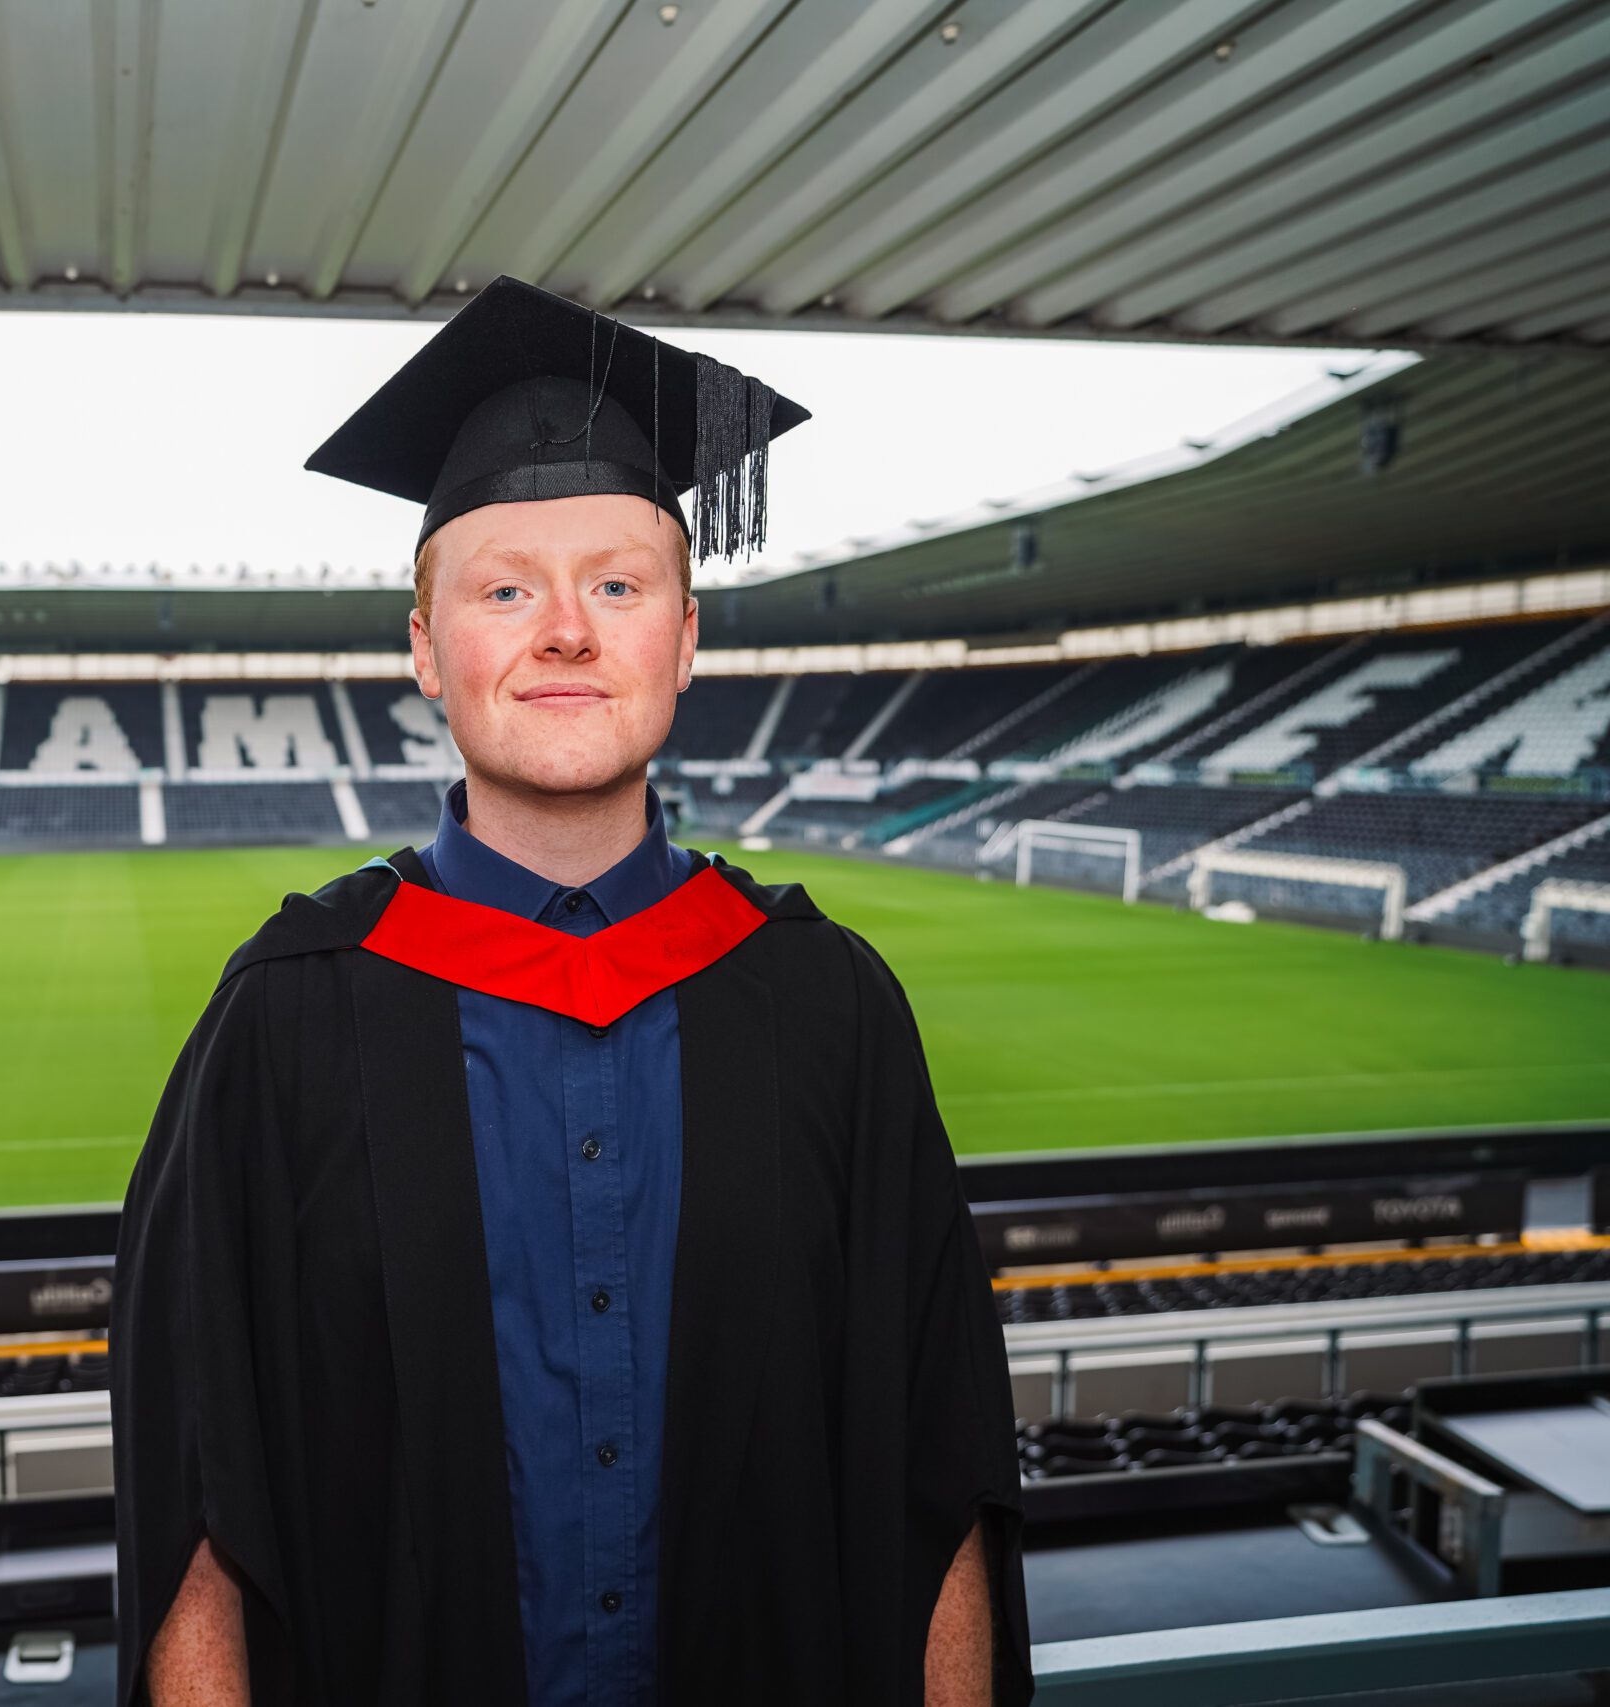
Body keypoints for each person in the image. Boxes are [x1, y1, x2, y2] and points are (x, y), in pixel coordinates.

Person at [113, 276, 1031, 1706]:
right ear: (425, 648)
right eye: (502, 589)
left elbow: (943, 1470)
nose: (564, 631)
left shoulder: (829, 1008)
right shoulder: (283, 1021)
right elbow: (197, 1507)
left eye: (617, 583)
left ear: (687, 636)